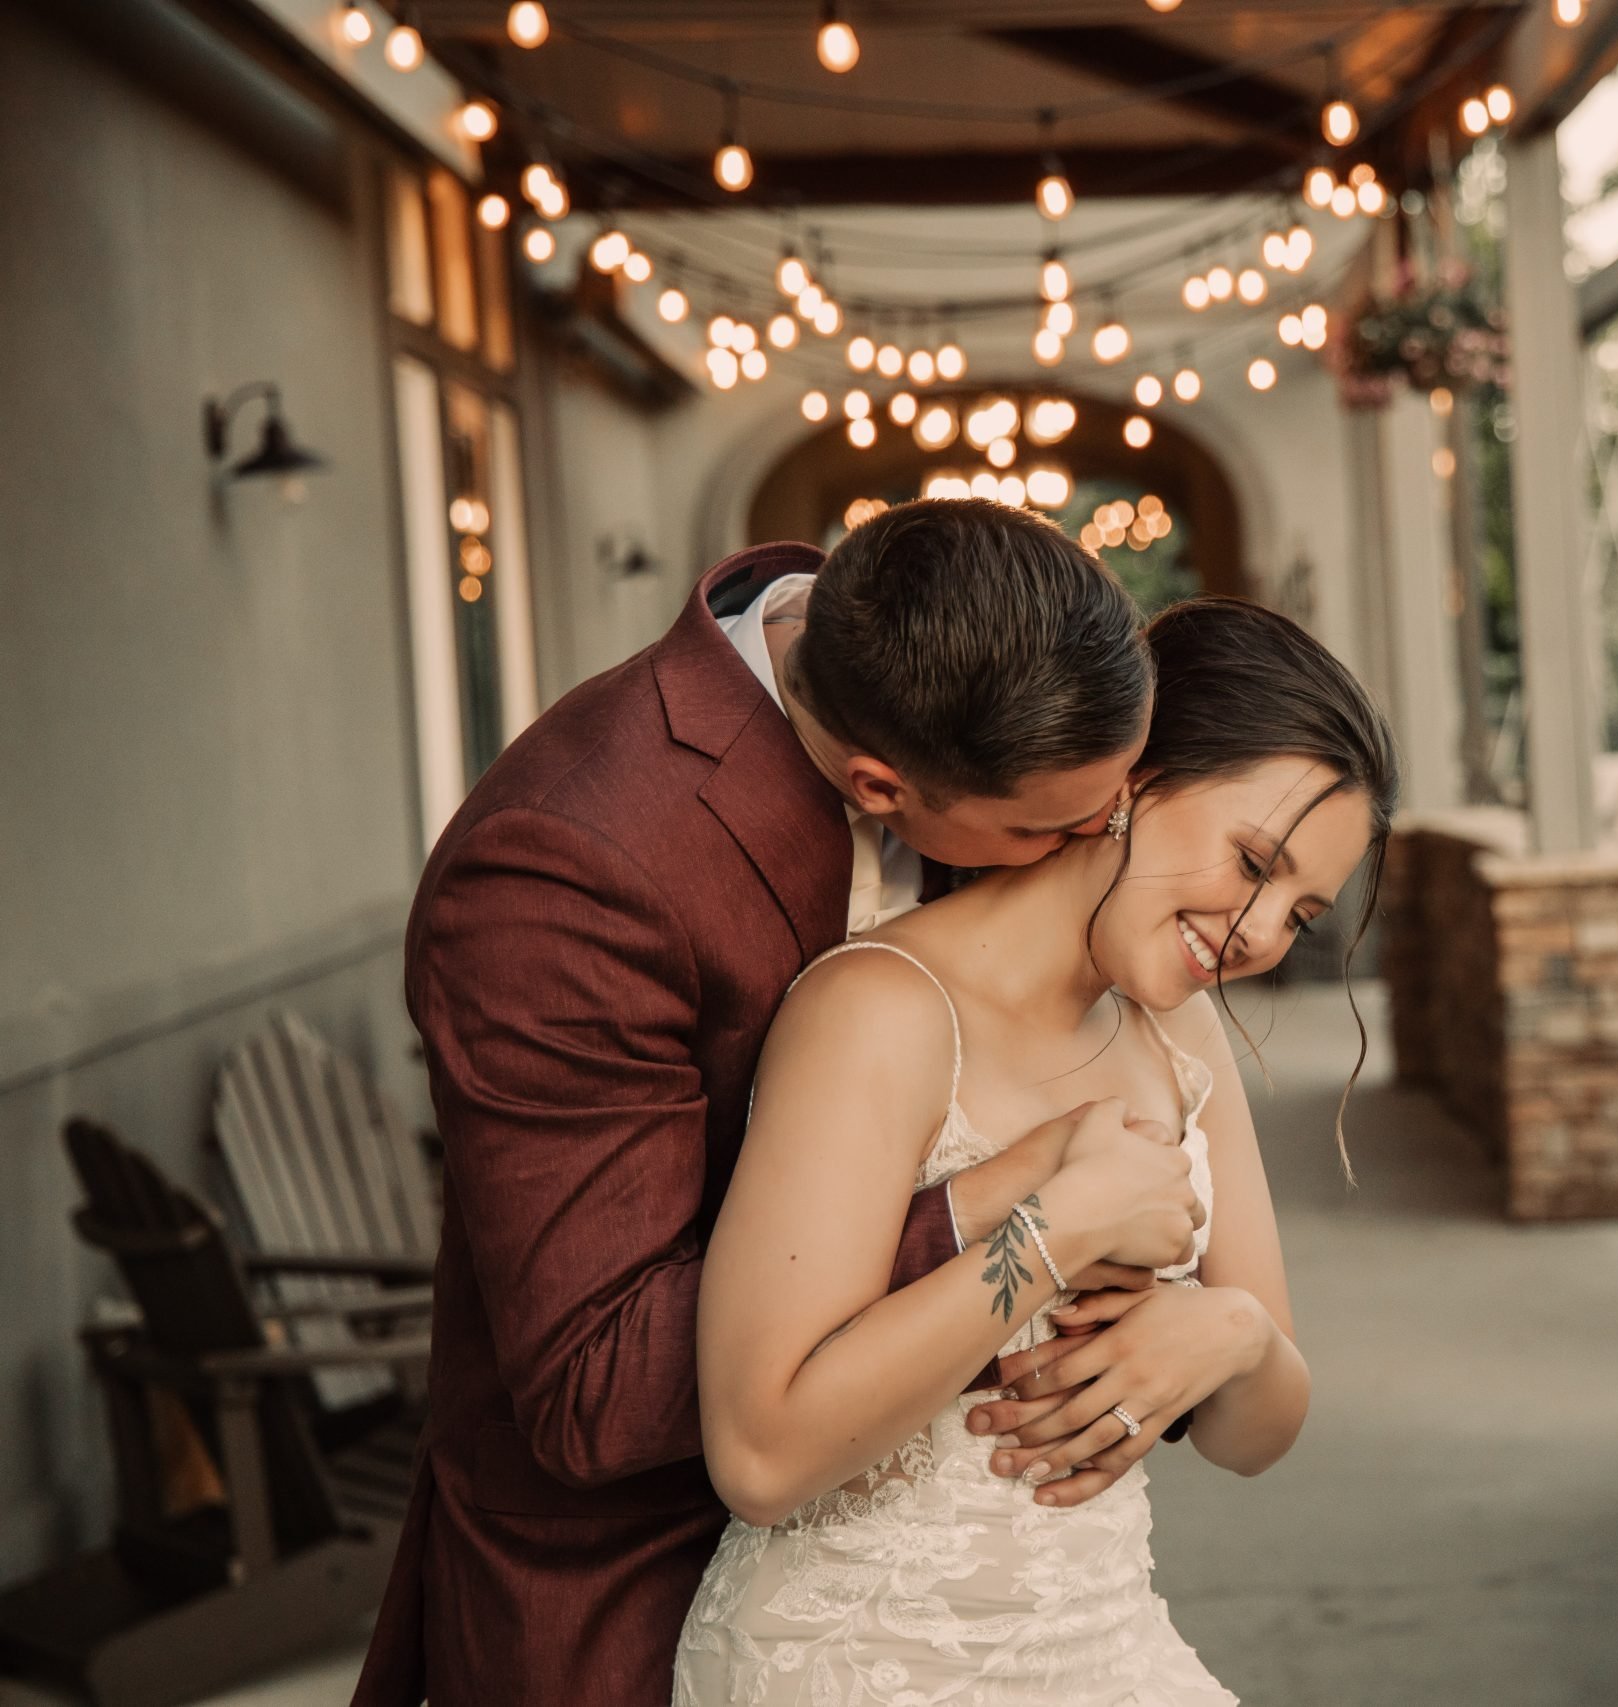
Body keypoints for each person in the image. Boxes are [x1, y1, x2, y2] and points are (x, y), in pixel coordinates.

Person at [355, 502, 1236, 1707]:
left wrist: (1212, 1328)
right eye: (1055, 829)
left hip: (993, 1601)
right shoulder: (567, 861)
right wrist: (1014, 1203)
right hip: (652, 1599)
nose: (1104, 844)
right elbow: (594, 1384)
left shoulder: (948, 673)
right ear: (880, 785)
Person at [672, 596, 1399, 1705]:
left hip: (1104, 1649)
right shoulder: (882, 1008)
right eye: (1255, 861)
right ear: (1131, 781)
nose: (1259, 931)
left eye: (1300, 915)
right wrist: (1058, 1233)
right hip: (856, 1659)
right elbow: (762, 1453)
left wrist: (1236, 1334)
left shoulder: (1178, 1035)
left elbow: (1254, 1436)